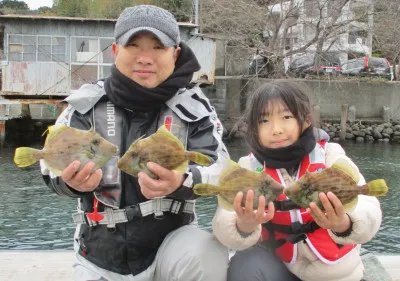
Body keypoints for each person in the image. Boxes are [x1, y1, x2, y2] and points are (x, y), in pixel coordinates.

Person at [40, 5, 229, 281]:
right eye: (133, 45)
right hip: (98, 256)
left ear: (175, 54)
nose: (145, 58)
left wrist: (182, 181)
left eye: (157, 47)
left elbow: (222, 168)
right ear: (115, 51)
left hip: (171, 245)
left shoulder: (195, 106)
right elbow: (48, 163)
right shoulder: (84, 104)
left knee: (207, 253)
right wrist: (70, 182)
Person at [212, 80, 382, 281]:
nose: (276, 129)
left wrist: (344, 223)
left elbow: (368, 209)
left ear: (306, 120)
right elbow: (223, 221)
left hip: (338, 275)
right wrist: (243, 225)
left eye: (286, 117)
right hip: (283, 268)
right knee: (245, 263)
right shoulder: (248, 168)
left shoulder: (330, 155)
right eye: (264, 121)